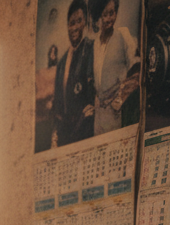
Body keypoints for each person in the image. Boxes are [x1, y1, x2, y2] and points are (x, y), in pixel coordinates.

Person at [51, 0, 95, 147]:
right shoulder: (62, 62)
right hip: (65, 135)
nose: (75, 27)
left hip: (86, 131)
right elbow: (57, 102)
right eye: (71, 23)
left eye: (79, 21)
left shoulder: (91, 49)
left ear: (86, 23)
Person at [93, 0, 140, 134]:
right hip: (98, 116)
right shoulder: (95, 43)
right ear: (99, 16)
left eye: (111, 13)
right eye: (104, 15)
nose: (108, 19)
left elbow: (137, 67)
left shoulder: (123, 34)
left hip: (117, 112)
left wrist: (121, 98)